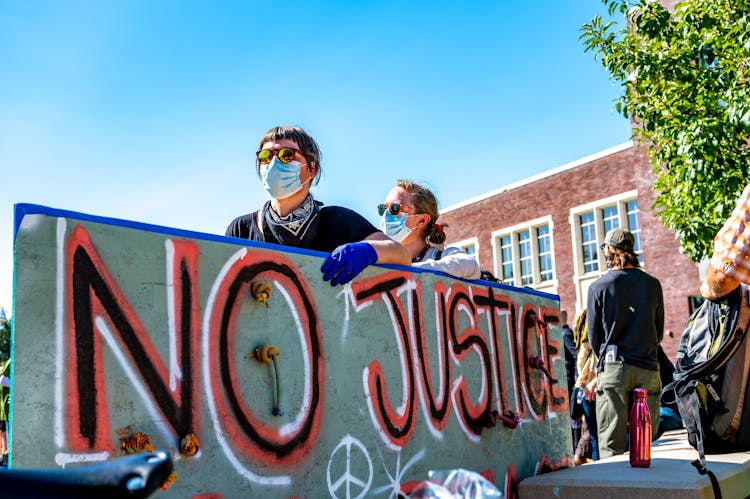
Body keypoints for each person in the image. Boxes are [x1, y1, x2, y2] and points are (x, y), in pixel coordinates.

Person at [226, 126, 410, 285]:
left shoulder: (339, 220)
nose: (274, 163)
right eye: (266, 156)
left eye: (287, 155)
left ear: (312, 168)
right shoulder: (241, 229)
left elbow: (401, 254)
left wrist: (369, 249)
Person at [586, 228, 663, 459]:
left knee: (611, 448)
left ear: (609, 249)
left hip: (614, 368)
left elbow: (594, 337)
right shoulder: (653, 284)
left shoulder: (598, 287)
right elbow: (658, 333)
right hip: (648, 367)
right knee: (646, 445)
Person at [379, 180, 481, 280]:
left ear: (422, 220)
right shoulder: (379, 260)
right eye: (383, 208)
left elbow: (471, 265)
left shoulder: (440, 256)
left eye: (395, 208)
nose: (386, 215)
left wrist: (411, 270)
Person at [573, 309, 599, 463]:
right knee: (596, 435)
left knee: (593, 432)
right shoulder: (592, 345)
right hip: (592, 389)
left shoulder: (581, 344)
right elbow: (592, 368)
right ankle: (599, 468)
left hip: (582, 389)